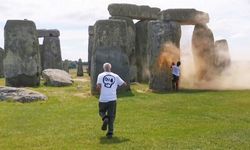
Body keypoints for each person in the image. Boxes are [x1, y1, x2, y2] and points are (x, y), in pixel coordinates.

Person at [96, 62, 127, 138]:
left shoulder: (100, 75)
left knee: (101, 111)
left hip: (103, 98)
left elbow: (98, 86)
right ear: (110, 67)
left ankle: (104, 118)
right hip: (112, 99)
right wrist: (115, 87)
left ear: (104, 68)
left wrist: (99, 91)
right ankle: (110, 132)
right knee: (112, 116)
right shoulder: (115, 76)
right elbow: (124, 84)